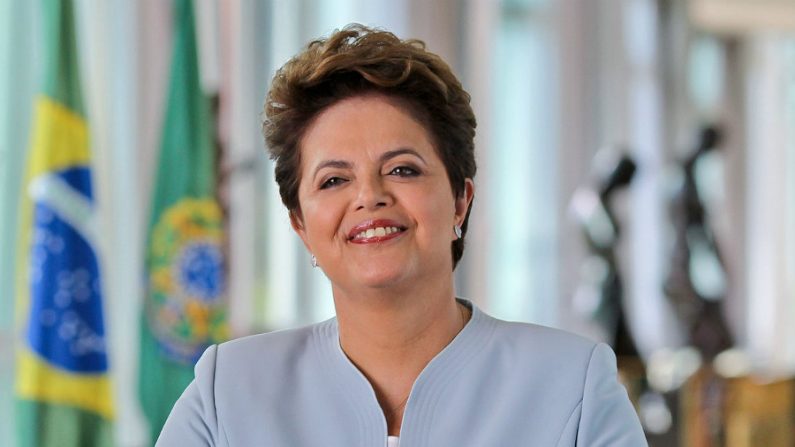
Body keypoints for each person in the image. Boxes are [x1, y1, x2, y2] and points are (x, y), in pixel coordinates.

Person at [157, 24, 647, 446]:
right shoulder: (228, 391)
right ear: (301, 226)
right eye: (333, 180)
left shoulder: (573, 386)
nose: (369, 197)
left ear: (460, 199)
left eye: (402, 169)